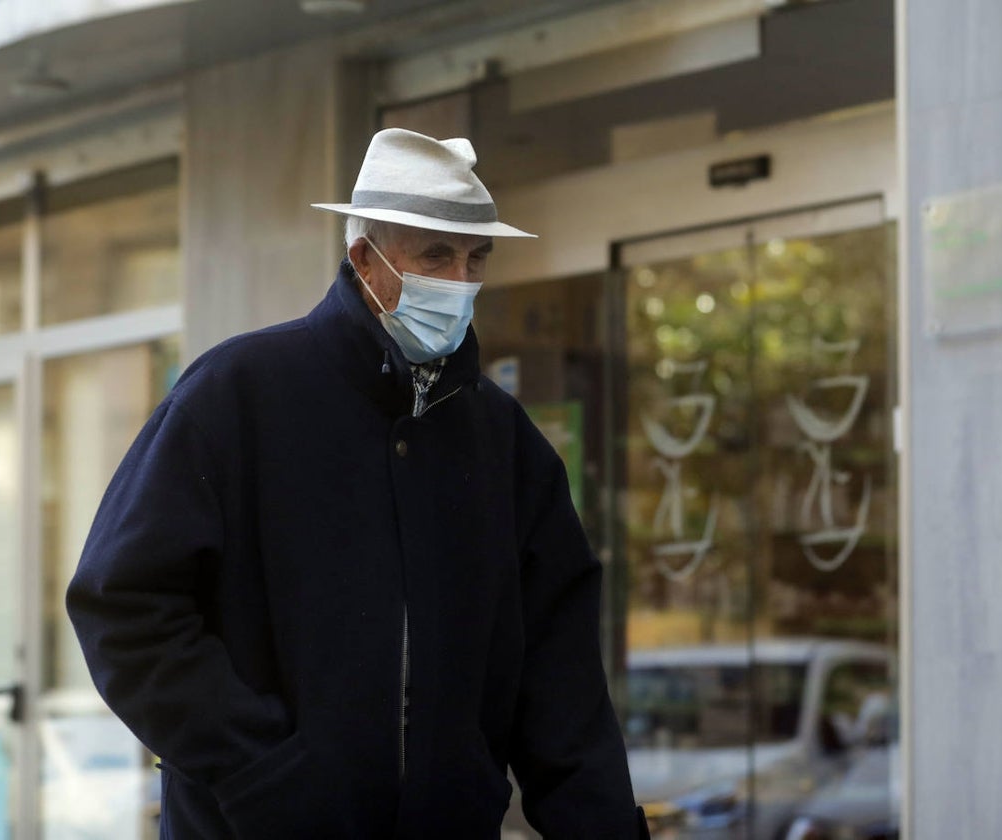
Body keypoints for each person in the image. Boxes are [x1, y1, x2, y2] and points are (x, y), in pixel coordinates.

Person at [67, 128, 650, 839]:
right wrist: (262, 768)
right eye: (436, 254)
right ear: (364, 258)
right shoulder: (237, 394)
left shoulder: (501, 439)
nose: (459, 281)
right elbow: (123, 603)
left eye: (475, 259)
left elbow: (560, 680)